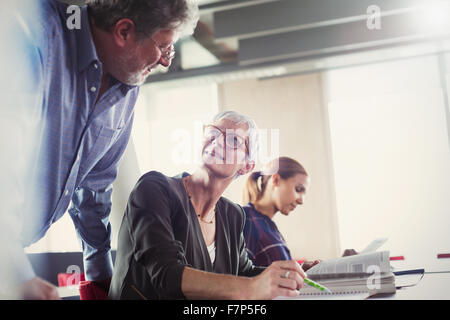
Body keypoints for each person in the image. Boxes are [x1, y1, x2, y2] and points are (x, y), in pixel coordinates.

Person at [0, 0, 199, 299]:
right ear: (123, 31)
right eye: (164, 47)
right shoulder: (37, 34)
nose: (165, 62)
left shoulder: (126, 89)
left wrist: (100, 279)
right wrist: (15, 272)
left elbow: (96, 186)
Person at [108, 111, 306, 300]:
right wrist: (253, 288)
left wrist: (294, 275)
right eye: (213, 133)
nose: (218, 142)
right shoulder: (154, 189)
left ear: (247, 166)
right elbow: (167, 275)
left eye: (233, 140)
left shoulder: (233, 214)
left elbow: (244, 273)